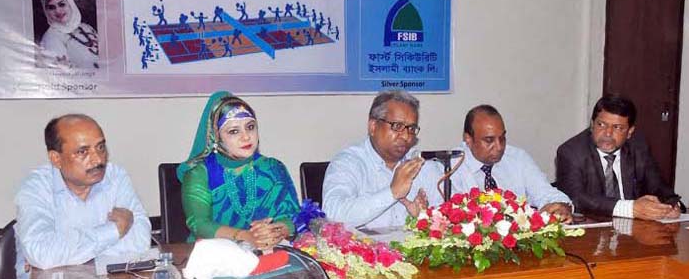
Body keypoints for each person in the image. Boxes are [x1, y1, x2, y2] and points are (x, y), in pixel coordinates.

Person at [14, 114, 151, 275]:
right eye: (83, 152)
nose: (97, 160)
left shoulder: (115, 176)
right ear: (56, 158)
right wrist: (114, 230)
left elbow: (141, 241)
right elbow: (42, 253)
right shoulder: (36, 187)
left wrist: (66, 254)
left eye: (100, 147)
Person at [178, 91, 300, 250]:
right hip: (212, 256)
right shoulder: (199, 173)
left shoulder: (273, 168)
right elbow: (200, 224)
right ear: (216, 137)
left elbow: (294, 217)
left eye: (250, 127)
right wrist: (246, 236)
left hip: (269, 252)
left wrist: (276, 231)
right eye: (234, 131)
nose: (246, 137)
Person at [322, 90, 445, 229]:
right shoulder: (348, 163)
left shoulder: (422, 166)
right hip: (363, 249)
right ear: (373, 127)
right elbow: (332, 214)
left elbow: (449, 219)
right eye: (397, 126)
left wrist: (424, 218)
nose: (406, 136)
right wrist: (392, 192)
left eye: (411, 128)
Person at [555, 94, 683, 220]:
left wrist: (670, 205)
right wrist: (630, 208)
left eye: (617, 127)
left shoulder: (638, 147)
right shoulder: (571, 152)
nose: (608, 133)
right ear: (592, 124)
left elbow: (657, 185)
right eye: (601, 124)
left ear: (630, 132)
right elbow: (575, 198)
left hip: (634, 229)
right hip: (591, 228)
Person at [450, 105, 573, 223]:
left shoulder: (518, 158)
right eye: (489, 140)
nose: (499, 147)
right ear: (468, 139)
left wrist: (560, 207)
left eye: (502, 138)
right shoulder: (448, 167)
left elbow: (546, 193)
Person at [37, 0, 100, 69]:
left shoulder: (86, 27)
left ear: (70, 3)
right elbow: (63, 76)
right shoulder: (51, 38)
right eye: (51, 7)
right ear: (46, 11)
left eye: (61, 4)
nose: (58, 11)